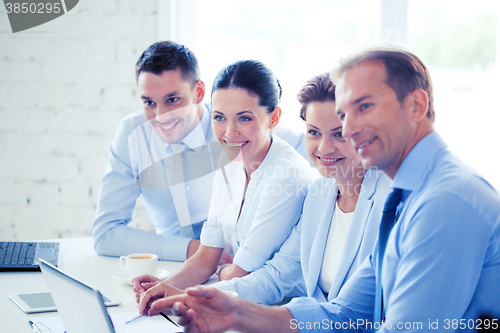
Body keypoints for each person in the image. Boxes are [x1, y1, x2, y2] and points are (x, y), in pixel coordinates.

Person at [149, 47, 500, 333]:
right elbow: (346, 313)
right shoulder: (406, 195)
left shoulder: (444, 201)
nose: (352, 129)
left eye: (364, 107)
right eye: (345, 114)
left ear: (416, 106)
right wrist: (236, 313)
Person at [92, 41, 308, 262]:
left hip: (246, 267)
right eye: (149, 103)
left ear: (199, 92)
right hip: (174, 264)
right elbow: (106, 234)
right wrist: (197, 251)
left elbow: (321, 153)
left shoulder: (240, 129)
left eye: (172, 100)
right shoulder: (132, 135)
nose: (160, 116)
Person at [191, 73, 391, 305]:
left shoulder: (391, 200)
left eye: (339, 134)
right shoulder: (320, 194)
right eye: (314, 132)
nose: (324, 148)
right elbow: (277, 276)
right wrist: (193, 298)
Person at [134, 59, 312, 303]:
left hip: (276, 312)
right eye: (219, 118)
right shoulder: (230, 162)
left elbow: (241, 273)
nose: (229, 132)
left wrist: (190, 290)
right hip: (229, 300)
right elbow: (207, 256)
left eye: (244, 119)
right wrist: (166, 286)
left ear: (274, 118)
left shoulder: (287, 175)